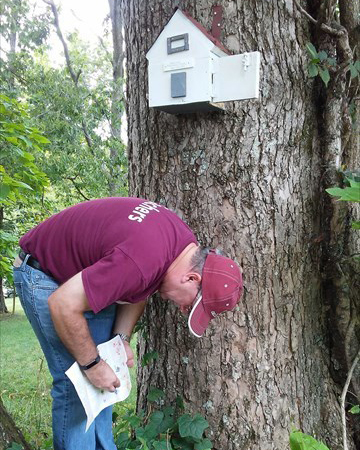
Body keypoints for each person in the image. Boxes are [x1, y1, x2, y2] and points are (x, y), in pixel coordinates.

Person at [13, 197, 243, 450]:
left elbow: (143, 286)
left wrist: (122, 338)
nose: (183, 308)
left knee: (101, 385)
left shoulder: (180, 248)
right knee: (77, 385)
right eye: (191, 305)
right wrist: (91, 364)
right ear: (191, 277)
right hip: (45, 274)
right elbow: (63, 305)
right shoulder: (139, 261)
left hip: (85, 276)